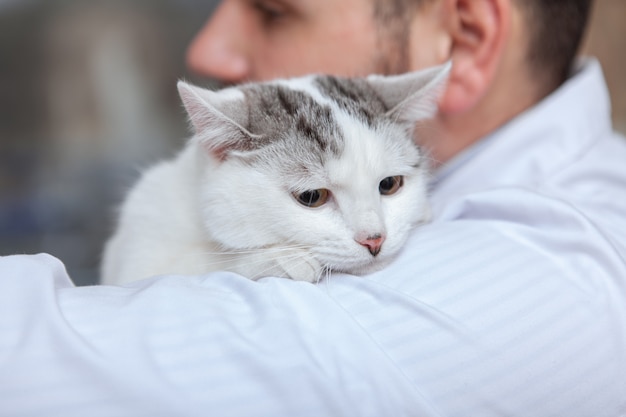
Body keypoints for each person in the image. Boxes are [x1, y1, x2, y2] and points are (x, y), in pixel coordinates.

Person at [1, 0, 625, 415]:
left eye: (274, 12)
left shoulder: (519, 282)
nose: (208, 51)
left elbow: (38, 363)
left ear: (463, 40)